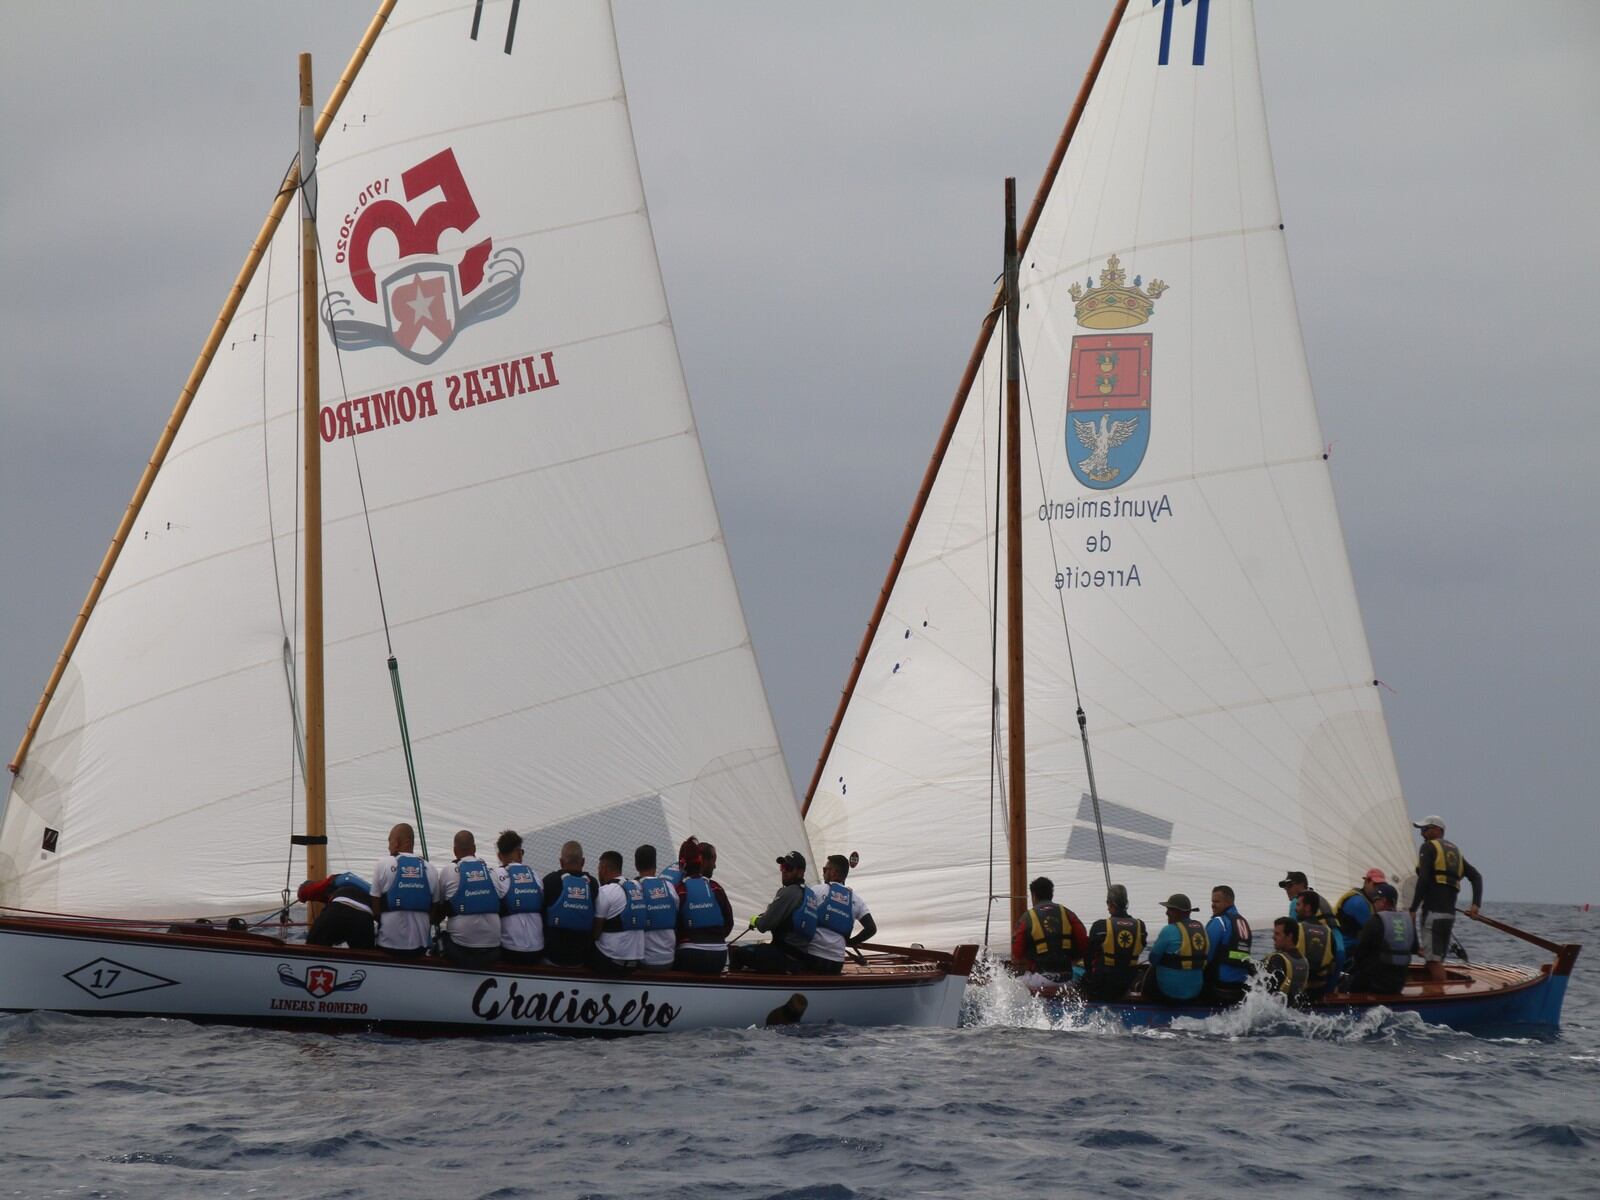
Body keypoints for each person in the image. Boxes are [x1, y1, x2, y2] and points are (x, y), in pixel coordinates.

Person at [1407, 814, 1484, 984]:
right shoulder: (1455, 852)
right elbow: (1476, 876)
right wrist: (1475, 905)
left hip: (1432, 914)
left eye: (1425, 829)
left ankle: (1439, 995)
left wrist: (1413, 909)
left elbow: (1424, 879)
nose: (1421, 834)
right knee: (1434, 959)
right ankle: (1431, 993)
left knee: (1433, 963)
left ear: (1438, 830)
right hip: (1449, 916)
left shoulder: (1428, 847)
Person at [793, 853, 877, 975]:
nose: (823, 873)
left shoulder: (817, 890)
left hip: (812, 955)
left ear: (834, 873)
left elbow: (799, 914)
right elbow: (871, 929)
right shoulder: (856, 900)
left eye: (825, 869)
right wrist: (849, 942)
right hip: (836, 961)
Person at [730, 850, 812, 973]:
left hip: (783, 956)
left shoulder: (789, 892)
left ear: (800, 872)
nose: (783, 871)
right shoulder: (810, 895)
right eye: (782, 866)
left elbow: (764, 925)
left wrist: (756, 920)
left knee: (736, 953)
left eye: (788, 867)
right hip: (800, 958)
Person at [369, 822, 441, 957]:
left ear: (396, 842)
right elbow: (434, 910)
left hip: (387, 945)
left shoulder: (383, 864)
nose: (388, 846)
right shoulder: (431, 869)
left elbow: (375, 908)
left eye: (389, 841)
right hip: (419, 948)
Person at [436, 830, 507, 967]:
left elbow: (439, 909)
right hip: (492, 951)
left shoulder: (449, 870)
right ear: (474, 849)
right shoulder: (492, 872)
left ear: (455, 850)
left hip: (461, 950)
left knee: (440, 939)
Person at [1009, 876, 1087, 983]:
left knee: (1013, 983)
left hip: (1039, 979)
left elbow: (1017, 953)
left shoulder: (1026, 918)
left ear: (1034, 896)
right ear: (1052, 894)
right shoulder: (1069, 914)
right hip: (1067, 978)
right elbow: (1083, 941)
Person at [674, 838, 734, 973]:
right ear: (701, 861)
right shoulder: (716, 888)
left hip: (690, 955)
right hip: (719, 956)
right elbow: (729, 922)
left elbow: (673, 928)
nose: (715, 866)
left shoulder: (679, 890)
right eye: (713, 861)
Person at [1346, 882, 1417, 994]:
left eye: (1375, 900)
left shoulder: (1375, 921)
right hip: (1398, 983)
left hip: (1374, 983)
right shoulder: (1408, 922)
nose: (1374, 904)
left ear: (1383, 901)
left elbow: (1359, 953)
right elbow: (1414, 948)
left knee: (1346, 981)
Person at [1081, 884, 1147, 1001]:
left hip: (1102, 984)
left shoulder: (1100, 926)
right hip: (1126, 982)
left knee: (1082, 979)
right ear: (1126, 903)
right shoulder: (1140, 926)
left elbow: (1088, 957)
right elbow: (1142, 946)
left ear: (1110, 903)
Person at [541, 840, 600, 967]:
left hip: (553, 957)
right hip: (580, 959)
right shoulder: (593, 884)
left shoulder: (549, 880)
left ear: (561, 862)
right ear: (583, 862)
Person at [1143, 894, 1209, 1004]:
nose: (1166, 913)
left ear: (1178, 912)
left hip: (1169, 994)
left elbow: (1152, 958)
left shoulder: (1169, 930)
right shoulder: (1202, 930)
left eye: (1169, 910)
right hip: (1195, 992)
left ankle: (1143, 1001)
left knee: (1153, 967)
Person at [493, 829, 545, 965]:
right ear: (519, 853)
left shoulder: (495, 875)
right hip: (538, 950)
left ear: (499, 855)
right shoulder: (534, 875)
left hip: (510, 950)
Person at [592, 850, 645, 973]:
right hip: (635, 962)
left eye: (599, 868)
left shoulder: (605, 891)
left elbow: (595, 934)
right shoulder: (637, 887)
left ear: (604, 869)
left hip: (610, 961)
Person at [298, 871, 376, 949]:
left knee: (314, 946)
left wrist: (302, 896)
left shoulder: (333, 881)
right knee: (365, 954)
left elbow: (304, 891)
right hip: (365, 918)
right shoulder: (370, 891)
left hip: (339, 909)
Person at [1203, 885, 1252, 1005]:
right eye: (1212, 901)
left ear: (1228, 901)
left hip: (1219, 986)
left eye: (1216, 901)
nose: (1212, 905)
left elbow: (1206, 956)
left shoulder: (1219, 922)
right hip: (1239, 987)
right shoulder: (1244, 922)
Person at [634, 844, 679, 969]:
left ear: (636, 865)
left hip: (644, 961)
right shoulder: (668, 886)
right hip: (668, 959)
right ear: (655, 865)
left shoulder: (635, 889)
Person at [1295, 891, 1342, 998]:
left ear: (1307, 907)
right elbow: (1333, 965)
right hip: (1320, 989)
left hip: (1301, 990)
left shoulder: (1297, 929)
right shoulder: (1329, 932)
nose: (1295, 909)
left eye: (1298, 905)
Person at [1260, 917, 1309, 1007]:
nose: (1273, 937)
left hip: (1273, 1014)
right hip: (1294, 1011)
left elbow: (1266, 993)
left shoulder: (1278, 960)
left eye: (1277, 934)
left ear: (1289, 936)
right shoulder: (1304, 961)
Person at [1335, 869, 1388, 943]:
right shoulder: (1359, 902)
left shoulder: (1365, 899)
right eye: (1375, 885)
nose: (1378, 889)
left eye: (1381, 886)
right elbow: (1372, 930)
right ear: (1366, 882)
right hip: (1348, 947)